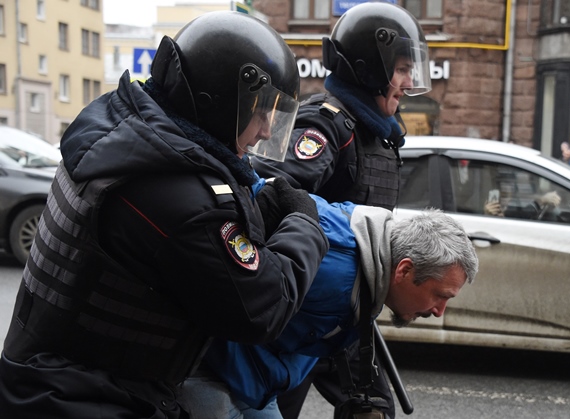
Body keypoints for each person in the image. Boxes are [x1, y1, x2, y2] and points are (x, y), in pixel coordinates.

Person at [0, 12, 330, 419]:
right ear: (221, 100)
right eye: (260, 111)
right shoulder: (180, 196)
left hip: (46, 381)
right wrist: (305, 224)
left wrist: (253, 209)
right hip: (85, 400)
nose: (265, 130)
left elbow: (163, 247)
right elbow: (262, 309)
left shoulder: (122, 128)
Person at [251, 2, 432, 417]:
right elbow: (275, 196)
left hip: (348, 313)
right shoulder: (325, 126)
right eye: (401, 69)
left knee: (372, 411)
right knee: (272, 407)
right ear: (371, 67)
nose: (407, 82)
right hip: (301, 314)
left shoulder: (377, 133)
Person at [179, 198, 478, 418]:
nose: (440, 310)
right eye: (441, 295)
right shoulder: (332, 270)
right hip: (206, 366)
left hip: (253, 382)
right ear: (404, 271)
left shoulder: (373, 256)